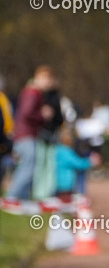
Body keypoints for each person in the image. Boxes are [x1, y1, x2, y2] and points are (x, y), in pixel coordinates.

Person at [7, 66, 56, 200]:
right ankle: (13, 197)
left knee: (27, 168)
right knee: (28, 168)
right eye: (46, 80)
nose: (48, 84)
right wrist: (42, 115)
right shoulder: (32, 93)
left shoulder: (32, 92)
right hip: (25, 136)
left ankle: (20, 198)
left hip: (25, 135)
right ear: (38, 78)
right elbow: (27, 113)